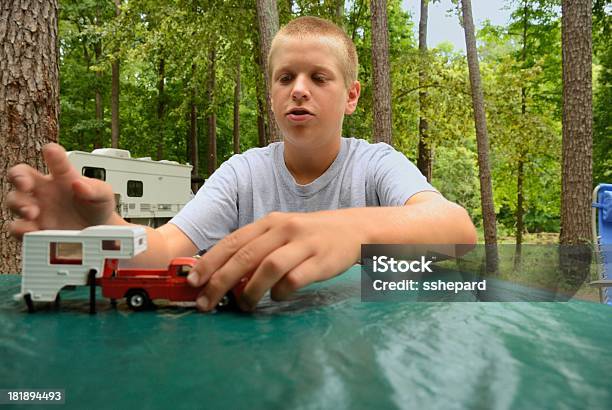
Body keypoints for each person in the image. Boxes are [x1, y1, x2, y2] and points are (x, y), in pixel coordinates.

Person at [7, 16, 476, 312]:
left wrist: (349, 233)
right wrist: (104, 228)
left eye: (319, 77)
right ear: (271, 94)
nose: (299, 89)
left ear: (352, 96)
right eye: (285, 77)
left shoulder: (376, 164)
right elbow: (166, 248)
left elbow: (457, 229)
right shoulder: (241, 172)